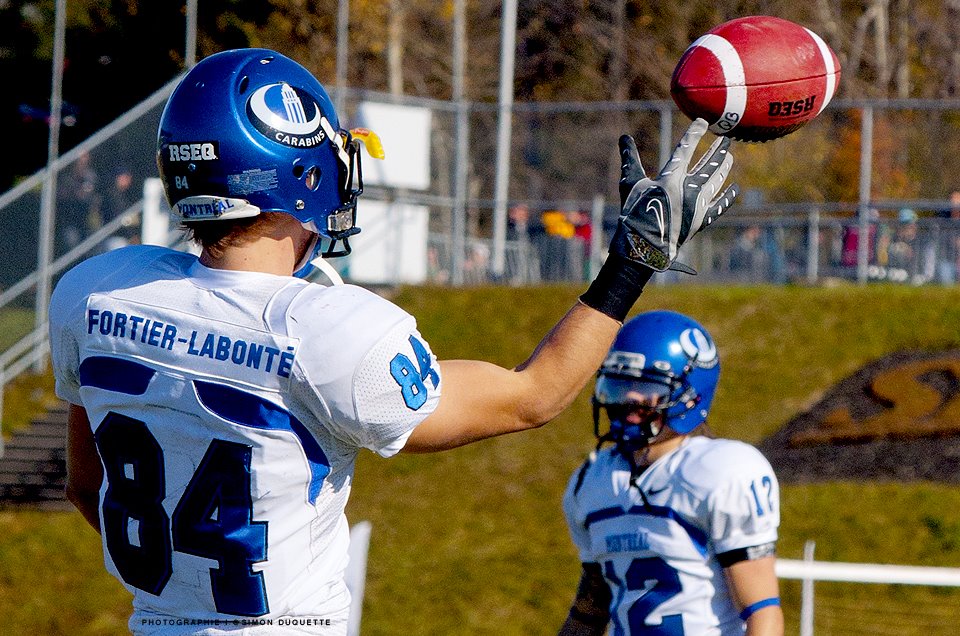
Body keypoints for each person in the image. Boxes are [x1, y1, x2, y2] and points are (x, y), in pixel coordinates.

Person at [49, 49, 736, 635]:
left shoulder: (99, 293)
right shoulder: (330, 331)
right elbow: (534, 395)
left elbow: (88, 486)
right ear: (300, 174)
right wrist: (630, 262)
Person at [560, 311, 782, 636]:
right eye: (621, 384)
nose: (629, 398)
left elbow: (763, 614)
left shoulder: (720, 471)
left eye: (646, 386)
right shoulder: (593, 479)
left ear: (690, 395)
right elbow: (590, 612)